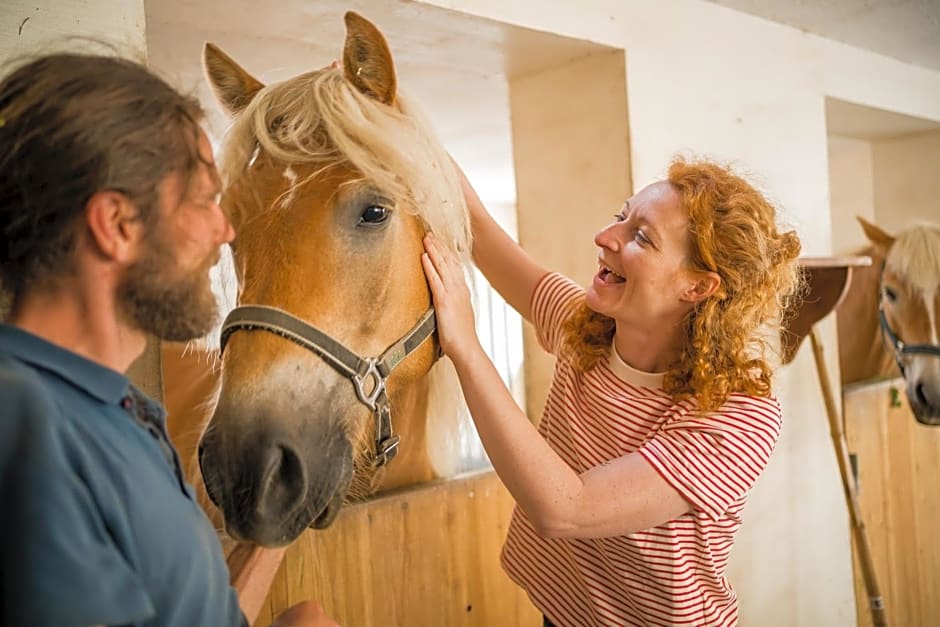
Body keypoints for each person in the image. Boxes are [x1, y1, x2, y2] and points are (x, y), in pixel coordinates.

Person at [0, 52, 336, 627]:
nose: (225, 230)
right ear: (119, 225)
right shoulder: (23, 425)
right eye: (205, 200)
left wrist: (286, 498)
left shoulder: (117, 410)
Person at [422, 157, 802, 626]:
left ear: (698, 286)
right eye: (622, 215)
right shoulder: (584, 325)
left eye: (642, 236)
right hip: (564, 614)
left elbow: (565, 508)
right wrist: (399, 118)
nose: (606, 236)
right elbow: (477, 226)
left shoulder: (738, 417)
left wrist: (466, 345)